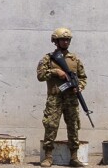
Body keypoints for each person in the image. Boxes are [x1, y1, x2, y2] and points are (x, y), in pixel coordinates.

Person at [36, 27, 87, 168]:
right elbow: (40, 76)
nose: (66, 42)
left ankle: (74, 157)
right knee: (51, 126)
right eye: (63, 40)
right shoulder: (48, 58)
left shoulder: (75, 59)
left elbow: (83, 78)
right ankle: (48, 157)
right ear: (56, 41)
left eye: (67, 40)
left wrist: (79, 86)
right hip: (55, 98)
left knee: (73, 126)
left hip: (71, 98)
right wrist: (55, 72)